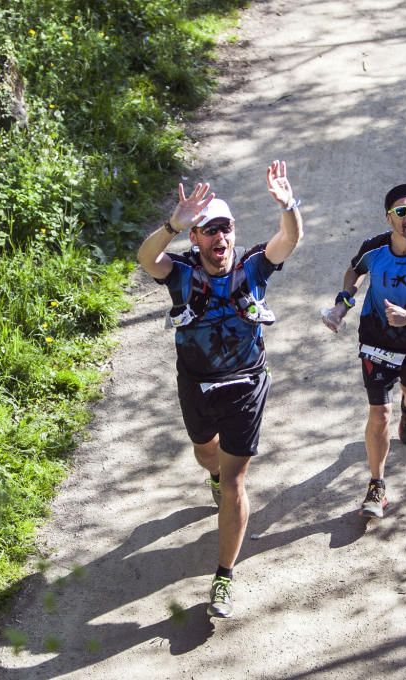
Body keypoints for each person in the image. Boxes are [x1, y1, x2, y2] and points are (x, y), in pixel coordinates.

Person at [136, 160, 303, 617]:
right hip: (196, 383)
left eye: (225, 229)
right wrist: (173, 223)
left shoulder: (254, 268)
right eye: (209, 231)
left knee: (235, 482)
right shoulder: (183, 273)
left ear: (234, 231)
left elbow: (289, 240)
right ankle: (212, 472)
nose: (219, 239)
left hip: (246, 384)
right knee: (205, 453)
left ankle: (224, 575)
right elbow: (146, 258)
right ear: (197, 238)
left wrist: (288, 205)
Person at [322, 183, 406, 519]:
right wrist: (343, 304)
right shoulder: (375, 249)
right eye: (402, 211)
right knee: (379, 414)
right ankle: (377, 485)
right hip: (375, 339)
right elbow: (354, 271)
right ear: (389, 218)